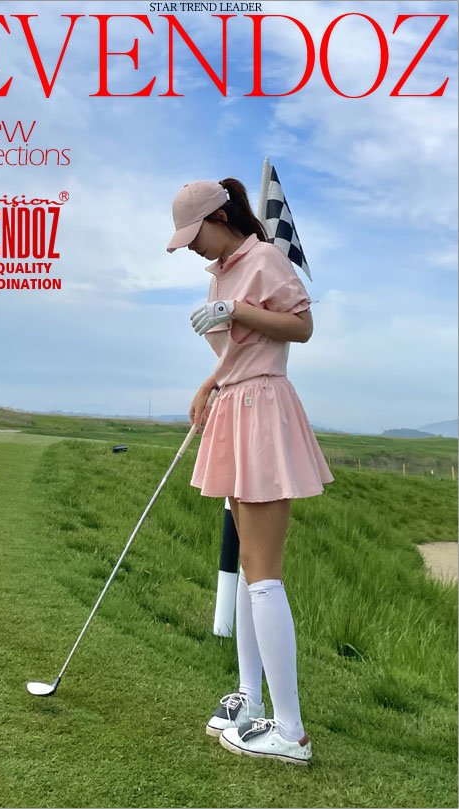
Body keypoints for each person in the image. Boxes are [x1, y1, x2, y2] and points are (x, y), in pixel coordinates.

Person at [166, 178, 334, 767]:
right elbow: (239, 352)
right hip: (235, 403)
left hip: (262, 409)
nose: (190, 246)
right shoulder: (219, 273)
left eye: (195, 233)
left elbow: (301, 327)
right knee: (246, 568)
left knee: (263, 575)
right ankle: (251, 699)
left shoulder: (263, 259)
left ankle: (290, 732)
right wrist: (210, 382)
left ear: (221, 216)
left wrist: (235, 310)